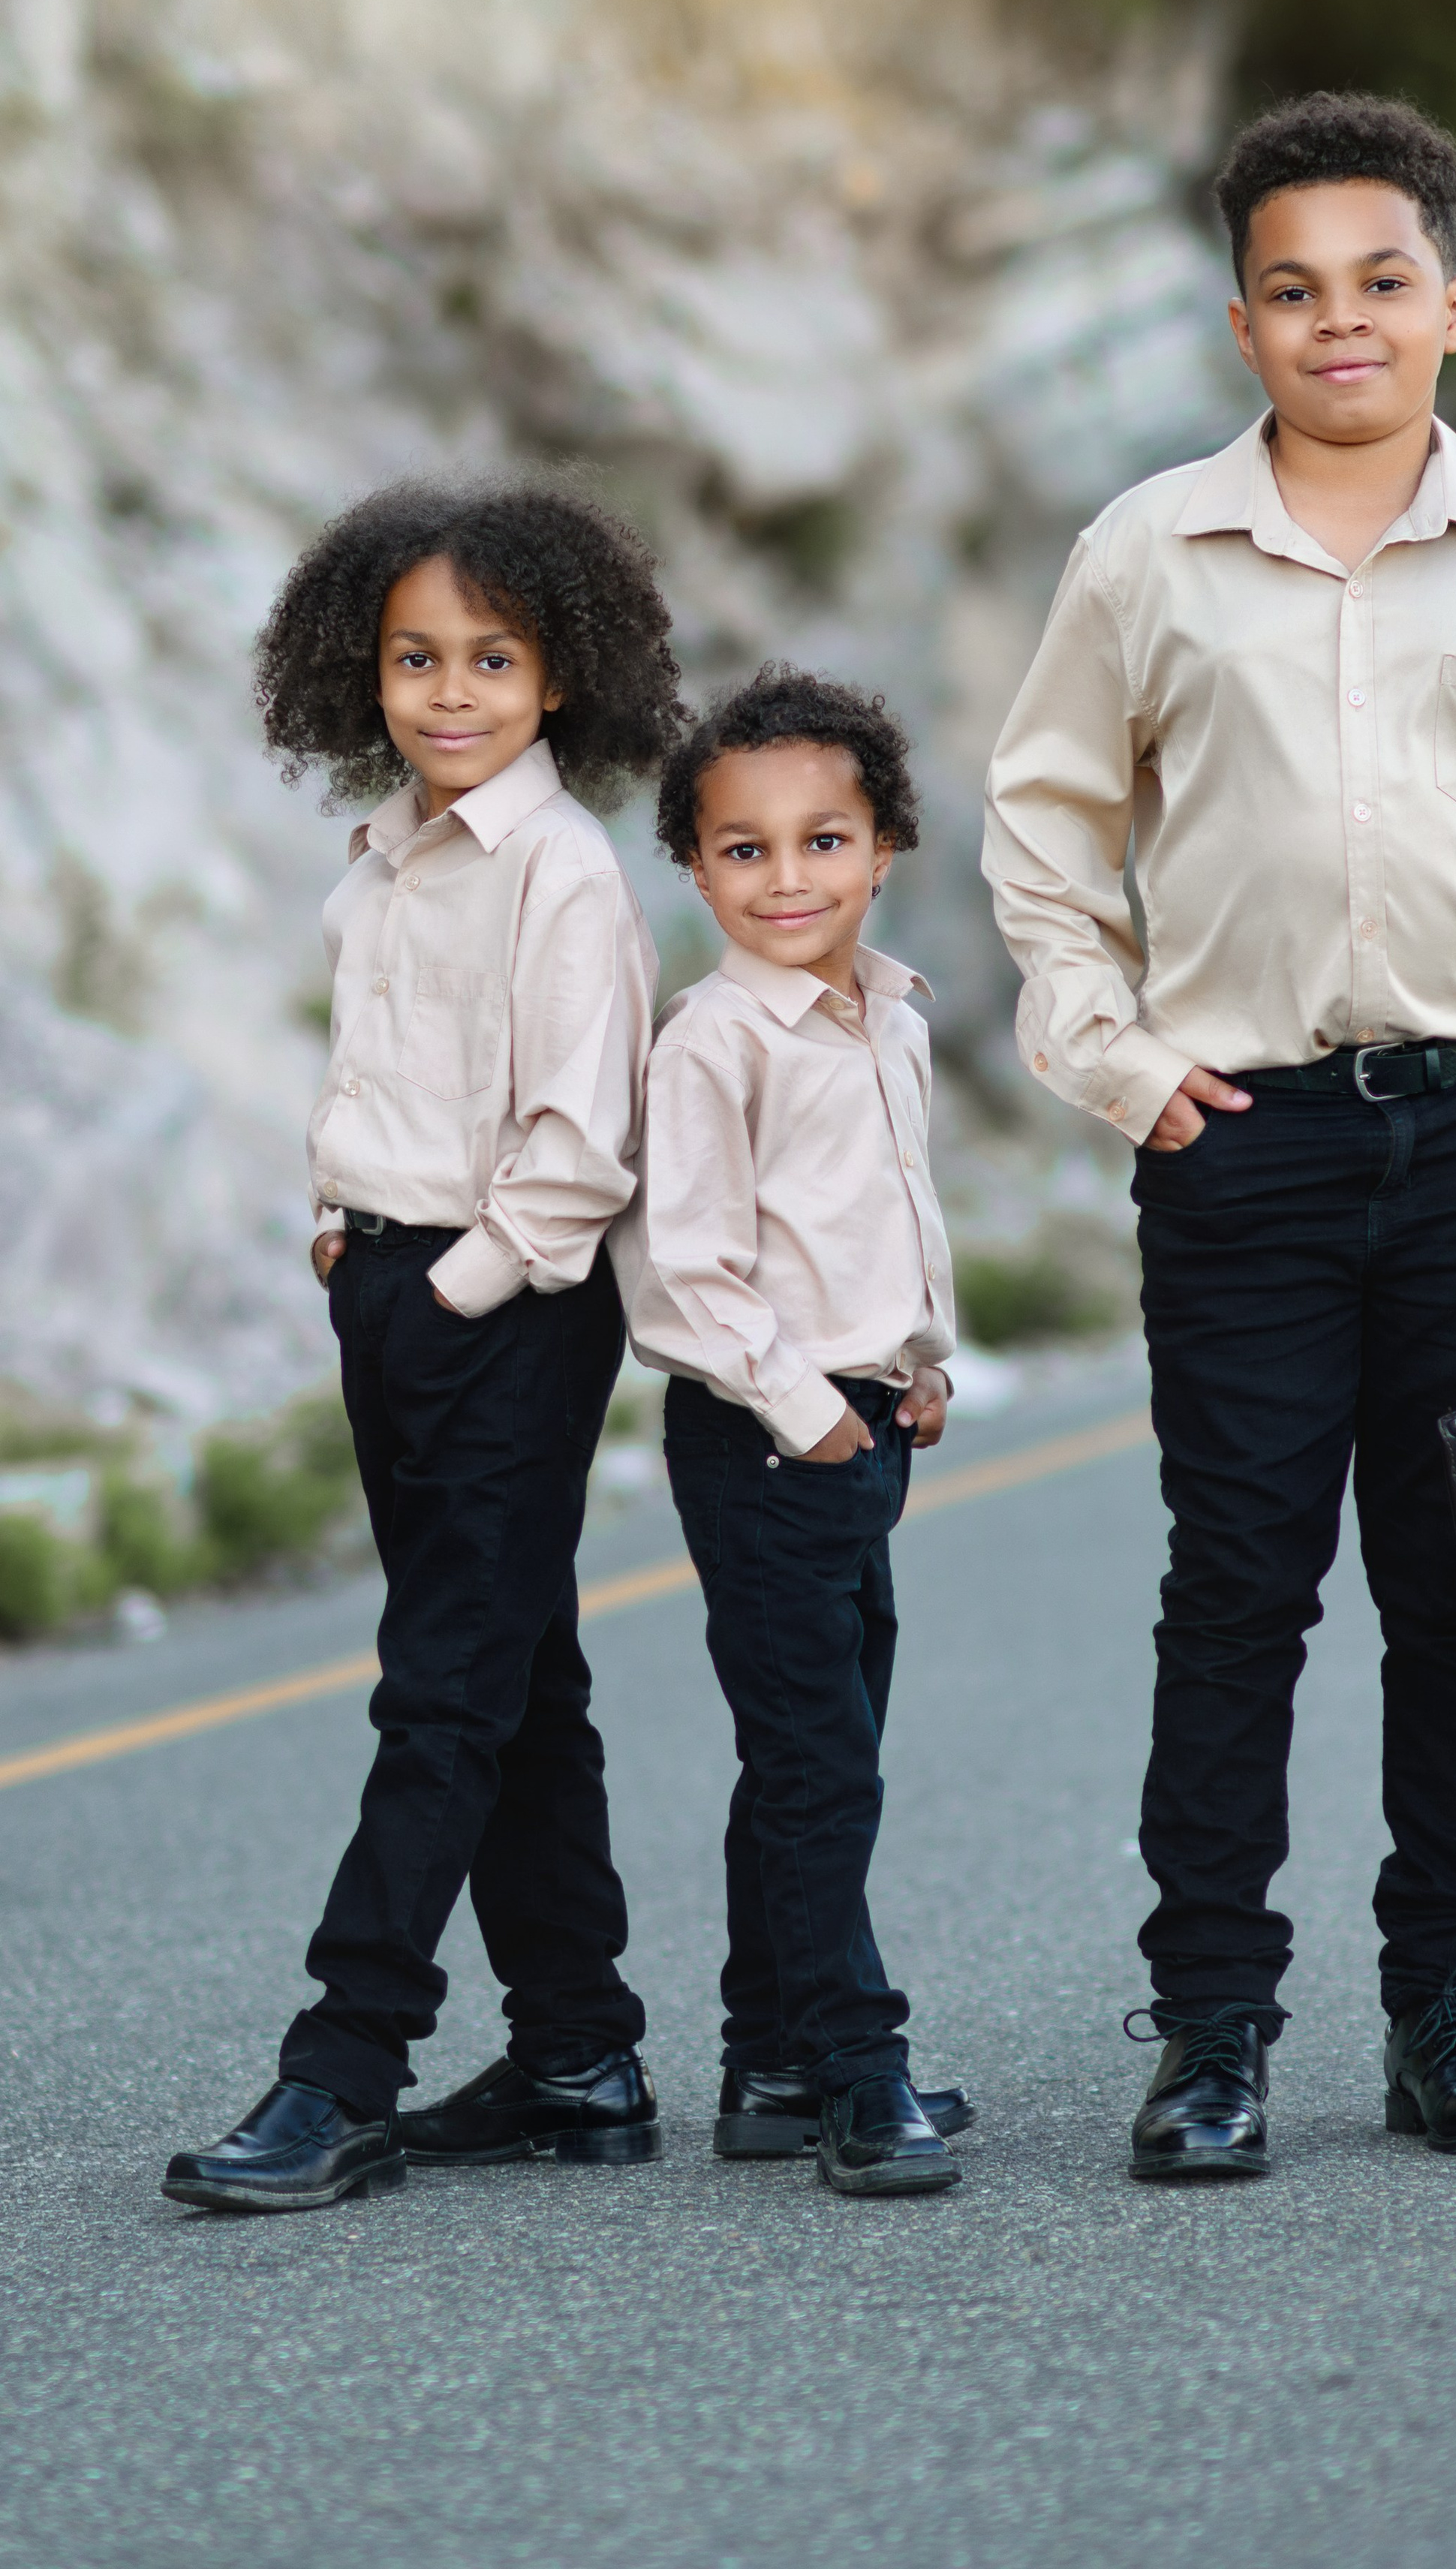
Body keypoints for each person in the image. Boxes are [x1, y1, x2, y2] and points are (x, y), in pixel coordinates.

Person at [983, 92, 1456, 2177]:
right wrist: (1116, 1059)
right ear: (1240, 325)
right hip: (1246, 1149)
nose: (1342, 322)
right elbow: (1044, 824)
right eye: (1294, 291)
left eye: (1382, 282)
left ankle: (1448, 2015)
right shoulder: (1150, 553)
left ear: (1452, 304)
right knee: (1234, 1591)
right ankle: (1211, 2034)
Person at [163, 479, 681, 2214]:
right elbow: (376, 1072)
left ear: (560, 678)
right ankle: (577, 2054)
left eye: (490, 657)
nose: (447, 691)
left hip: (507, 1309)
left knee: (442, 1687)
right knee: (518, 1676)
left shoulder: (561, 873)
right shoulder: (382, 859)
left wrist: (454, 1289)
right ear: (356, 671)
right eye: (411, 658)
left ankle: (344, 2066)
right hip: (386, 1288)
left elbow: (577, 1149)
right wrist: (340, 1226)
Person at [629, 666, 970, 2197]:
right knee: (819, 1762)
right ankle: (853, 2064)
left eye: (821, 840)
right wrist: (809, 1419)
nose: (786, 877)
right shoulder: (711, 1041)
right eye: (743, 848)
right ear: (695, 867)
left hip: (862, 1415)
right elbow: (682, 1270)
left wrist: (922, 1359)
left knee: (812, 1755)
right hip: (770, 1436)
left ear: (884, 844)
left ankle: (766, 2057)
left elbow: (889, 1210)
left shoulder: (890, 1014)